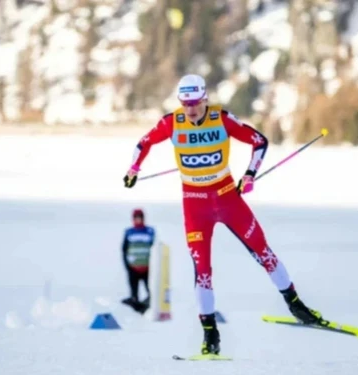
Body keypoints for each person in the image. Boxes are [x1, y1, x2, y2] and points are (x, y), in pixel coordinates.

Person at [122, 74, 328, 355]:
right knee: (203, 272)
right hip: (195, 206)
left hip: (228, 199)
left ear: (205, 98)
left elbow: (259, 141)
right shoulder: (173, 122)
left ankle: (297, 306)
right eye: (185, 104)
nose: (191, 109)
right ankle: (210, 336)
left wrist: (250, 175)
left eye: (195, 103)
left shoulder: (222, 119)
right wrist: (134, 169)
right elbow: (143, 143)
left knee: (263, 252)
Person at [121, 208, 155, 314]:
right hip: (133, 267)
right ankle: (136, 306)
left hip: (147, 267)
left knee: (151, 291)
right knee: (134, 292)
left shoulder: (150, 231)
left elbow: (154, 247)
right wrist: (127, 265)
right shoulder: (129, 232)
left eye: (140, 217)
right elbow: (124, 250)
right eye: (136, 218)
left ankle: (147, 307)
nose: (138, 220)